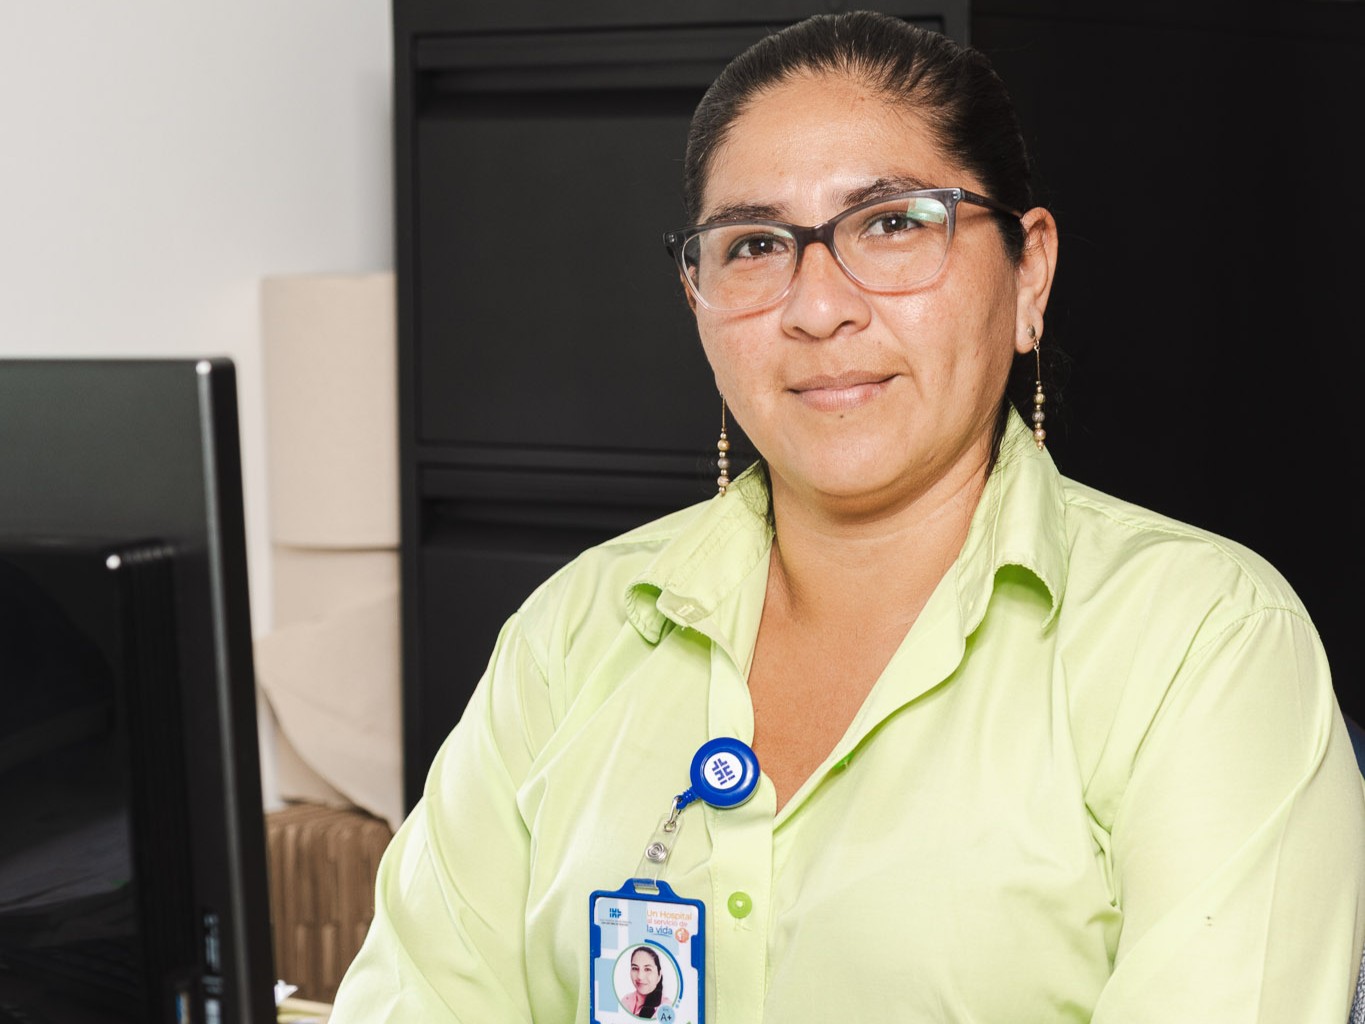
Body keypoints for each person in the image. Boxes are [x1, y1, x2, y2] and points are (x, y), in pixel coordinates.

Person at [330, 11, 1365, 1022]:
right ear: (698, 301)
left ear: (1028, 275)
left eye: (894, 223)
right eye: (754, 245)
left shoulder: (1205, 641)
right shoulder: (571, 636)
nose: (817, 305)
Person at [621, 946, 664, 1019]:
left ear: (659, 975)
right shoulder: (626, 999)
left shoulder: (665, 1007)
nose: (640, 976)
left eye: (647, 969)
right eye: (635, 968)